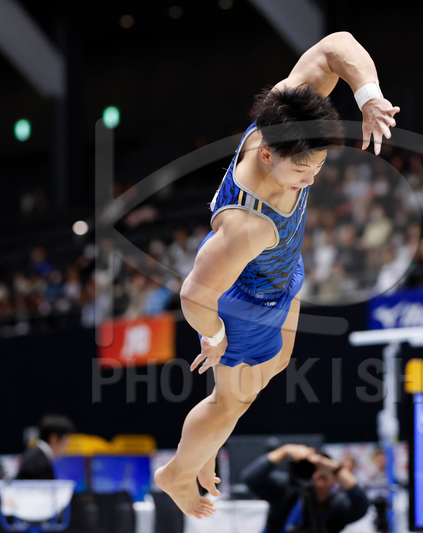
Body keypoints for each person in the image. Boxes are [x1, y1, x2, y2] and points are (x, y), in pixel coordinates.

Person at [154, 31, 400, 519]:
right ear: (266, 155)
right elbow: (193, 295)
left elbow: (336, 46)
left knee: (276, 363)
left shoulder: (286, 114)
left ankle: (206, 444)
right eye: (303, 172)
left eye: (319, 166)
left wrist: (368, 96)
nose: (312, 179)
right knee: (232, 402)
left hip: (280, 273)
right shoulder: (246, 226)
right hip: (246, 298)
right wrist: (214, 335)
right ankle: (178, 472)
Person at [241, 444, 369, 533]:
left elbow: (362, 505)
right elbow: (250, 478)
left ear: (335, 479)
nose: (315, 478)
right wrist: (284, 451)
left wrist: (336, 468)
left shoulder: (337, 503)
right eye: (311, 471)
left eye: (322, 477)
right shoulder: (287, 487)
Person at [15, 415, 75, 480]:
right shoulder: (39, 463)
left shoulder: (35, 454)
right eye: (66, 443)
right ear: (54, 439)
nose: (66, 450)